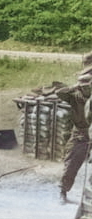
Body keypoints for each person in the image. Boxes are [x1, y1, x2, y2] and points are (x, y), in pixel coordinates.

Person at [56, 51, 92, 203]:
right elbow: (59, 92)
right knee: (71, 163)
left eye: (88, 86)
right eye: (83, 87)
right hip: (80, 134)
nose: (86, 89)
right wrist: (74, 87)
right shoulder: (74, 96)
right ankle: (63, 192)